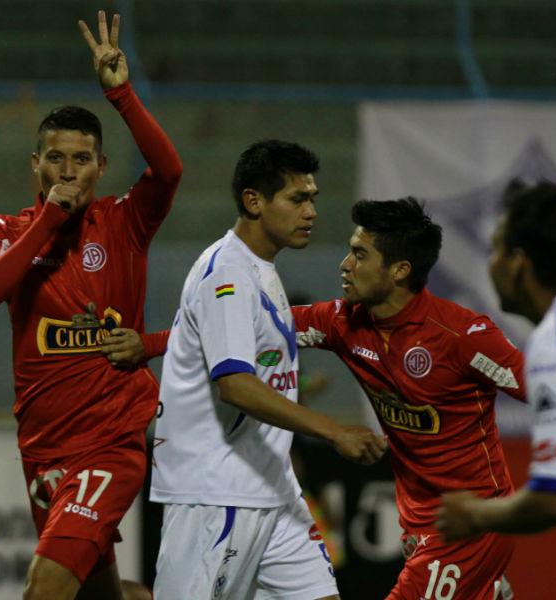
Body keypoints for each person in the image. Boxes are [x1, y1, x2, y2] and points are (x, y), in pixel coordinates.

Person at [0, 11, 181, 600]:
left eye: (81, 160)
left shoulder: (124, 222)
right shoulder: (7, 229)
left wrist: (122, 95)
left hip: (111, 443)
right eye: (55, 158)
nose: (68, 171)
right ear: (35, 164)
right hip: (42, 449)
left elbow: (170, 170)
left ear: (101, 168)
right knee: (100, 596)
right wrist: (48, 222)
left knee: (45, 590)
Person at [149, 140, 386, 600]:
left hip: (272, 489)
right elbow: (236, 386)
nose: (311, 211)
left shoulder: (261, 269)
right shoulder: (228, 275)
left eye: (313, 198)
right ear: (254, 201)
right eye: (298, 199)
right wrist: (334, 431)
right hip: (218, 493)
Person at [287, 198, 525, 599]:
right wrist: (152, 344)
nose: (345, 264)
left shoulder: (462, 336)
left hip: (471, 526)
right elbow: (252, 325)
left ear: (399, 270)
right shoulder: (344, 323)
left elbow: (548, 389)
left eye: (360, 254)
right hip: (418, 525)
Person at [436, 181, 556, 541]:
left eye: (496, 250)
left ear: (519, 264)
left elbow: (553, 500)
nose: (491, 265)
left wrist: (474, 512)